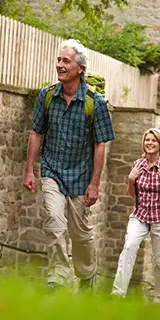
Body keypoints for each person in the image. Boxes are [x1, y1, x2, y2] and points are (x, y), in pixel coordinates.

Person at [23, 39, 114, 291]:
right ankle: (58, 277)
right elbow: (36, 133)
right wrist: (30, 169)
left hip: (81, 176)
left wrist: (95, 183)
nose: (59, 65)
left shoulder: (96, 103)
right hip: (52, 170)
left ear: (80, 69)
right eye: (58, 60)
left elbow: (100, 145)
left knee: (80, 233)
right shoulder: (47, 96)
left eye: (65, 61)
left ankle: (86, 275)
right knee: (54, 221)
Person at [111, 128, 160, 304]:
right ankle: (117, 293)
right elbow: (133, 194)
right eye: (147, 140)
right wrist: (130, 179)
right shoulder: (138, 164)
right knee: (129, 247)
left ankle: (159, 300)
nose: (150, 143)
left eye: (153, 141)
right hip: (140, 215)